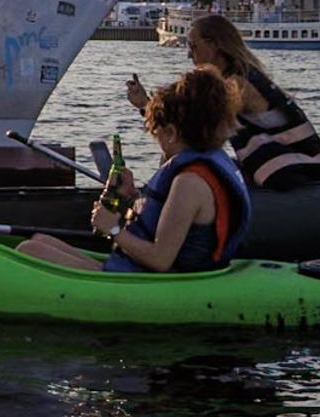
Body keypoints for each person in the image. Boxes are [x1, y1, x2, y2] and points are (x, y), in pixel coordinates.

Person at [19, 66, 251, 272]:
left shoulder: (190, 182)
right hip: (144, 270)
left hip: (162, 281)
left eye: (156, 133)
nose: (156, 139)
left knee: (30, 251)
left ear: (171, 133)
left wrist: (113, 229)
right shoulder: (207, 163)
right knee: (39, 240)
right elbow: (170, 222)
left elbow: (161, 259)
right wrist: (132, 200)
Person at [128, 13, 320, 190]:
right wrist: (145, 105)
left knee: (186, 149)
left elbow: (193, 124)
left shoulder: (237, 85)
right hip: (282, 167)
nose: (189, 53)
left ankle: (165, 207)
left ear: (214, 45)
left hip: (301, 170)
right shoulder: (235, 77)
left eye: (193, 45)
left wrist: (147, 106)